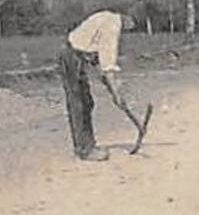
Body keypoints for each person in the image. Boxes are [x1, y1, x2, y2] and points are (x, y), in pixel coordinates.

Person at [60, 9, 149, 161]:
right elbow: (107, 63)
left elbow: (95, 54)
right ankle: (84, 149)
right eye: (131, 26)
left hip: (76, 55)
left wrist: (111, 87)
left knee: (86, 103)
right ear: (128, 20)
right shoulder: (112, 26)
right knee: (79, 104)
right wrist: (116, 93)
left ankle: (86, 144)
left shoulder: (107, 17)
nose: (128, 30)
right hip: (72, 57)